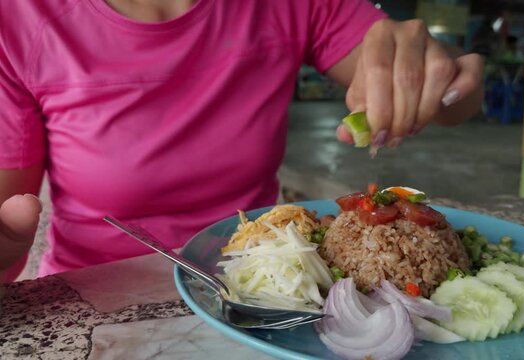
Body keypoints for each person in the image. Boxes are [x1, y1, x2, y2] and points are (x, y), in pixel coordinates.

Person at [0, 0, 483, 283]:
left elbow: (428, 87)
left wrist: (435, 80)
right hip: (93, 296)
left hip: (257, 292)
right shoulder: (19, 19)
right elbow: (10, 219)